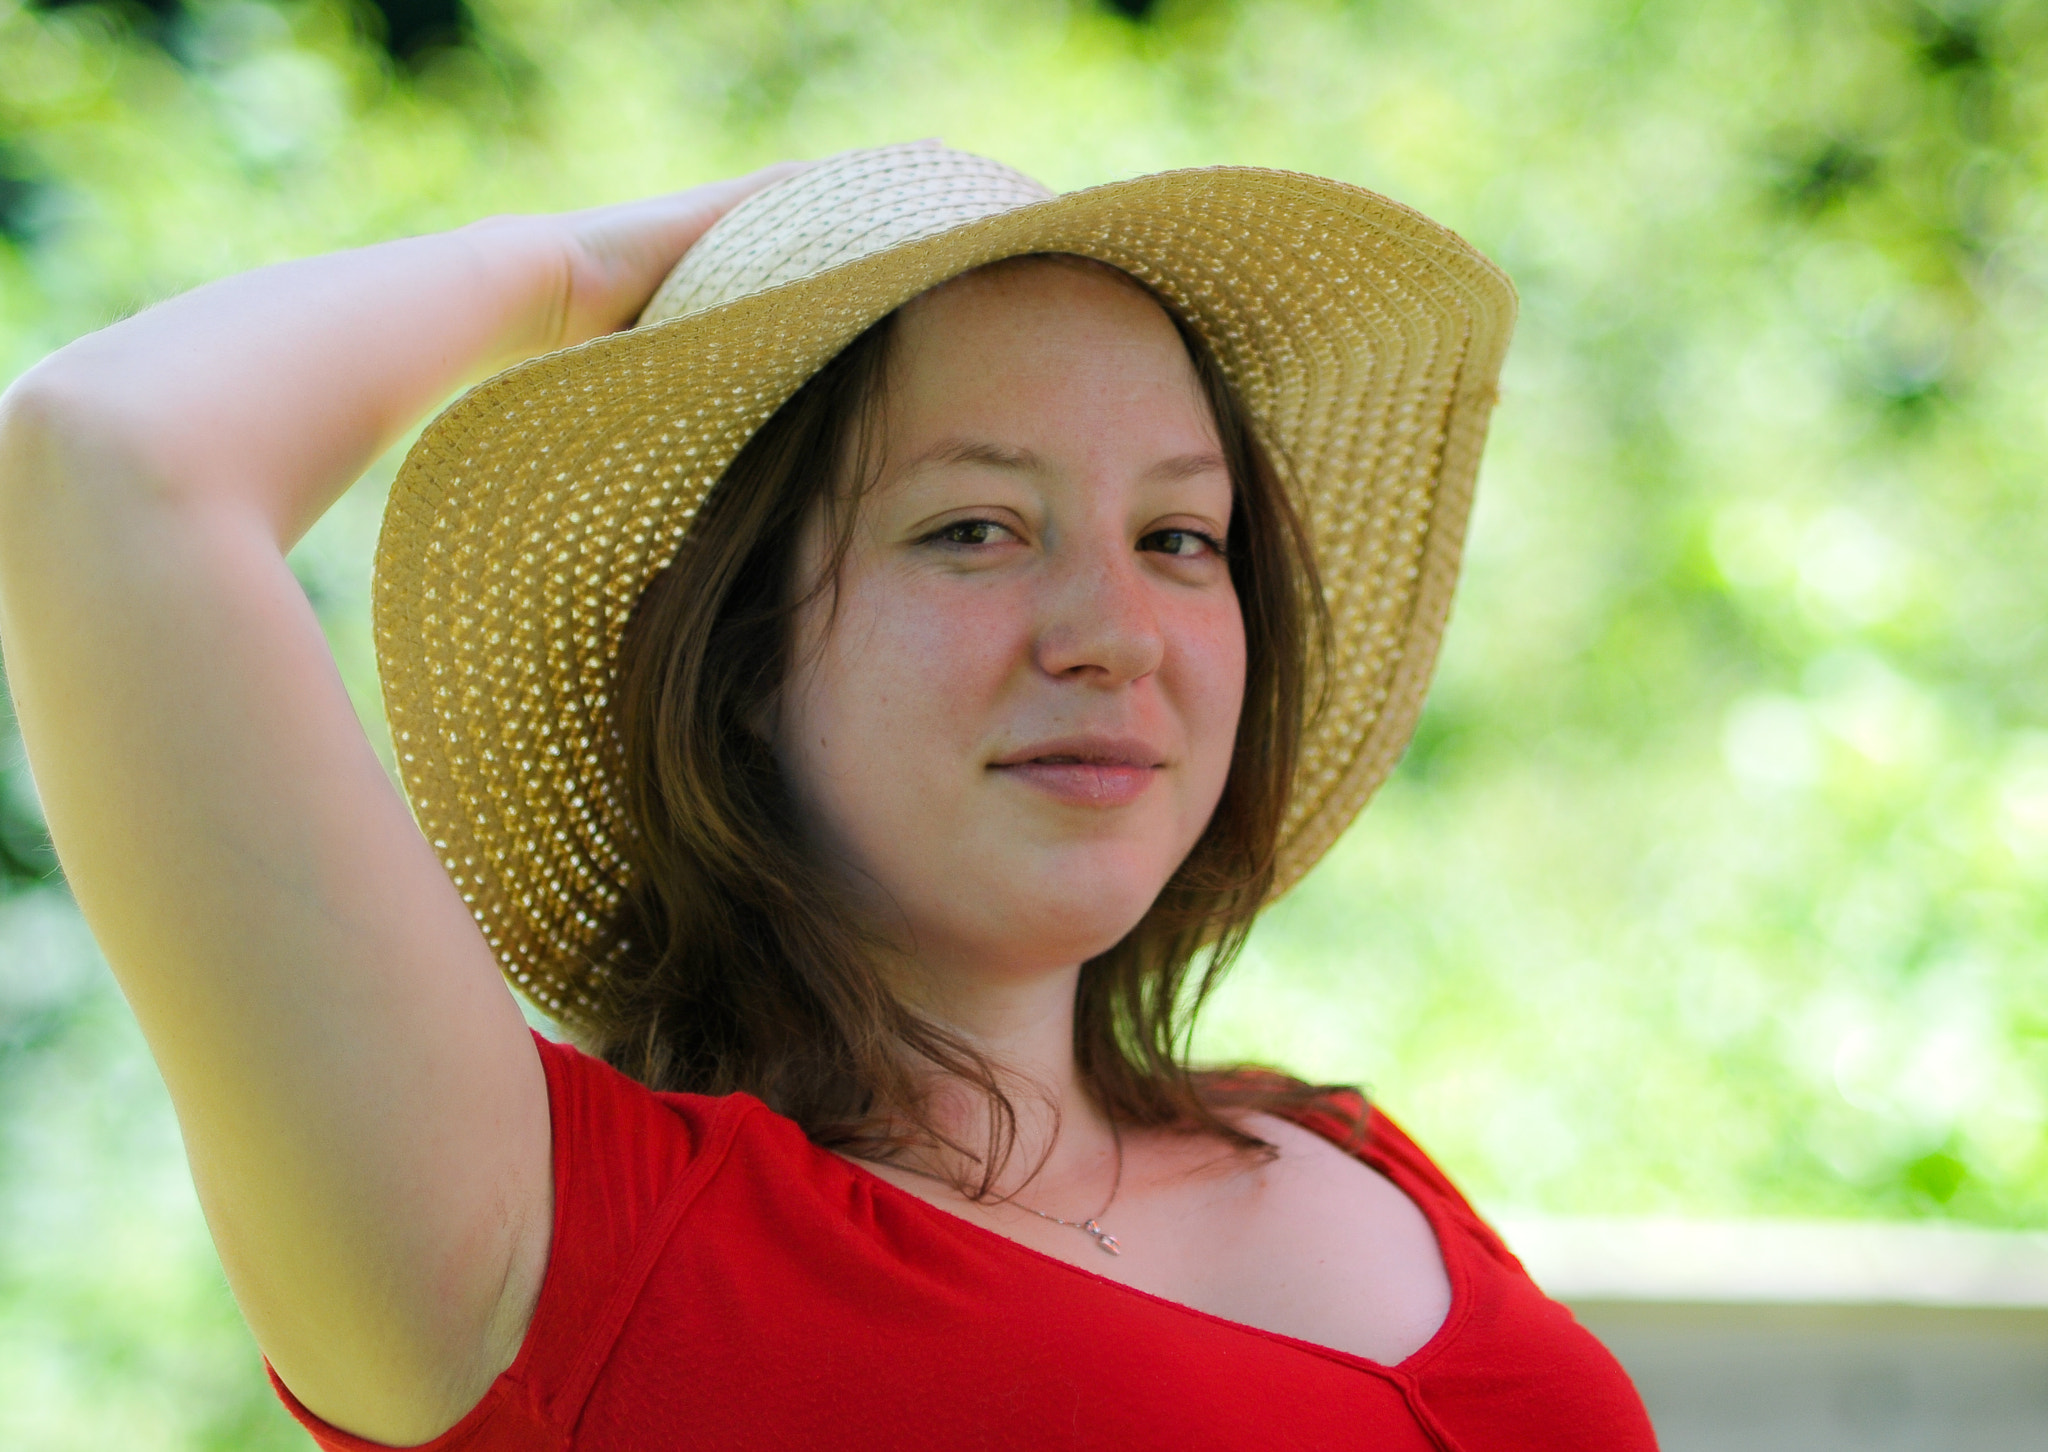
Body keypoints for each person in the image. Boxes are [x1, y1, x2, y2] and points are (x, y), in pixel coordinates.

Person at [0, 142, 1655, 1449]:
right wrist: (585, 270)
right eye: (973, 529)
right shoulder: (555, 1253)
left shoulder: (1330, 1142)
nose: (1115, 636)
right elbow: (104, 456)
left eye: (1178, 538)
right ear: (735, 664)